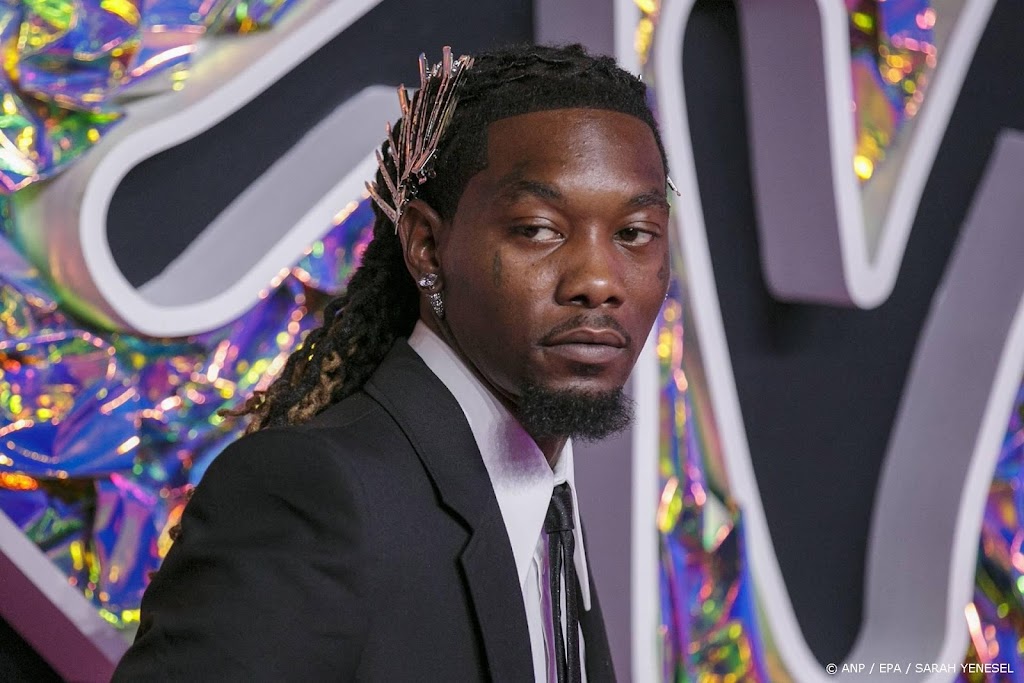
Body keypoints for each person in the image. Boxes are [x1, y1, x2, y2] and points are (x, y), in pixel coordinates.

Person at [112, 42, 671, 682]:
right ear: (427, 247)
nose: (598, 282)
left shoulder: (548, 507)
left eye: (634, 233)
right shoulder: (312, 496)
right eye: (539, 229)